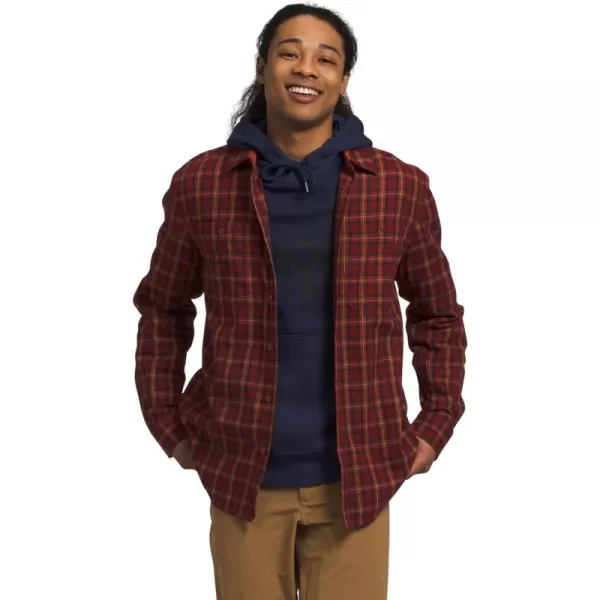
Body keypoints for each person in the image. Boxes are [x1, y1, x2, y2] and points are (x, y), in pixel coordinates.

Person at [132, 3, 467, 599]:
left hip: (359, 478)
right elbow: (163, 306)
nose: (305, 68)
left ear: (343, 79)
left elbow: (437, 312)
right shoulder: (202, 183)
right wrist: (167, 422)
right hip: (241, 475)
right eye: (289, 52)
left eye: (325, 58)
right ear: (263, 67)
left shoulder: (399, 187)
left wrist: (435, 424)